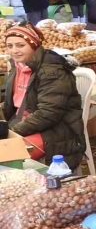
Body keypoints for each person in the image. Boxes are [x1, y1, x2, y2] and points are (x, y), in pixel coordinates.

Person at [2, 22, 86, 169]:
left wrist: (11, 132)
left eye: (20, 45)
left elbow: (48, 114)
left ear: (34, 45)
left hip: (55, 132)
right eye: (10, 46)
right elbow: (11, 102)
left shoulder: (51, 71)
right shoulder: (18, 66)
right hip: (24, 123)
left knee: (6, 155)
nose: (14, 51)